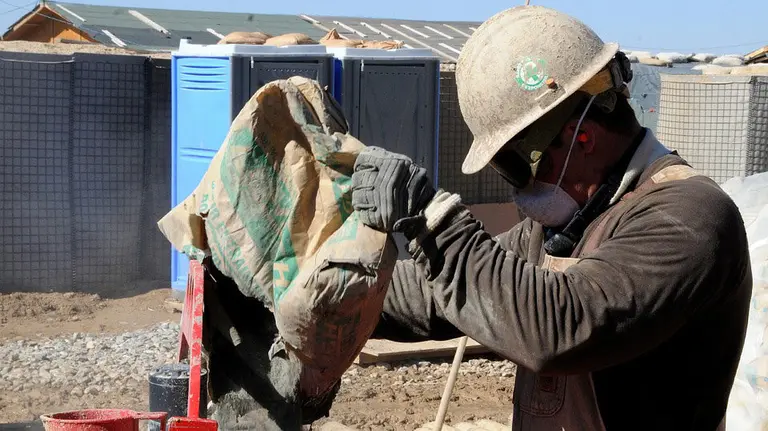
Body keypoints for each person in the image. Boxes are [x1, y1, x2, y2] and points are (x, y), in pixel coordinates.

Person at [350, 6, 752, 431]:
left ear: (585, 137)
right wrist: (316, 286)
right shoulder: (566, 227)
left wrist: (432, 219)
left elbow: (563, 325)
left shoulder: (690, 218)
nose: (517, 188)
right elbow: (436, 292)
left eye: (515, 165)